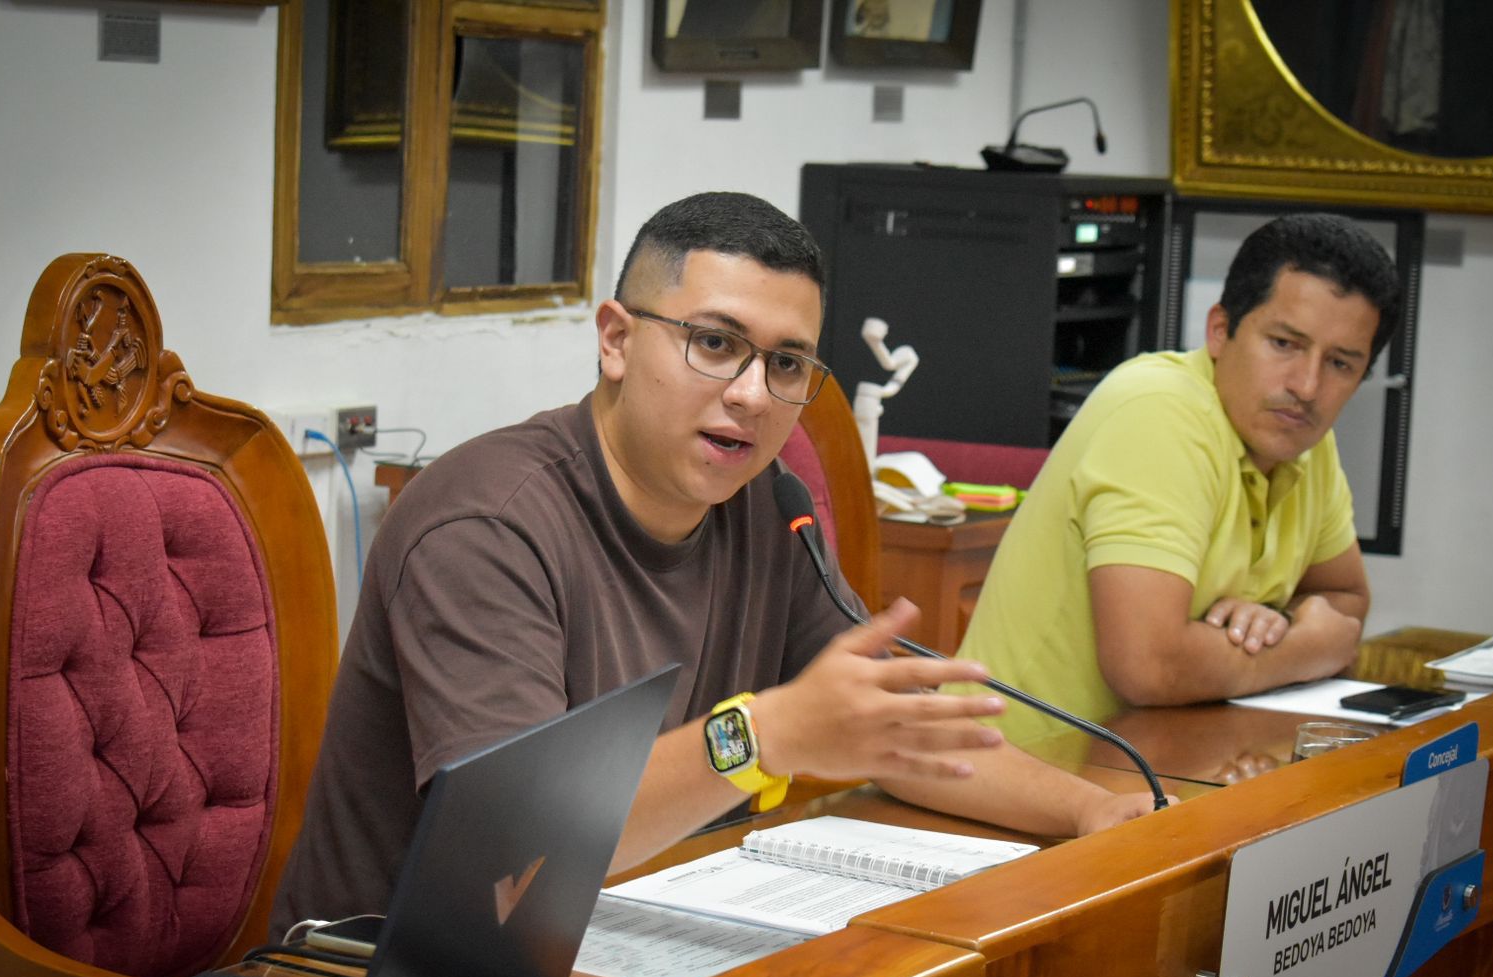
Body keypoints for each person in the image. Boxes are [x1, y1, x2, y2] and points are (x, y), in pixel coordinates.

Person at [271, 192, 1162, 934]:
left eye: (786, 363)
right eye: (714, 343)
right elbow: (520, 844)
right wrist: (762, 736)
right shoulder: (485, 526)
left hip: (644, 936)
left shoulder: (768, 509)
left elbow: (895, 731)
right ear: (615, 339)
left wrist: (1088, 813)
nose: (750, 393)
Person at [951, 212, 1398, 751]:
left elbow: (1345, 601)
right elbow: (1146, 666)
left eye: (1341, 364)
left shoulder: (1302, 438)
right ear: (1219, 330)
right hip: (1008, 775)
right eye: (1284, 343)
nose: (1306, 386)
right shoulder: (1160, 412)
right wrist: (1304, 649)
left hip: (1158, 762)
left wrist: (1276, 620)